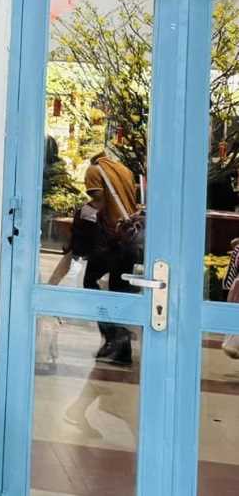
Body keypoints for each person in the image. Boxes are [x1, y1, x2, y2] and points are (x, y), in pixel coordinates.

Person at [82, 152, 141, 365]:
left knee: (90, 281)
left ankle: (112, 334)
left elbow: (98, 201)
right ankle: (122, 349)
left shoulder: (94, 170)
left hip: (111, 238)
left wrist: (83, 212)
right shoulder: (125, 170)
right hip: (130, 238)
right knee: (119, 290)